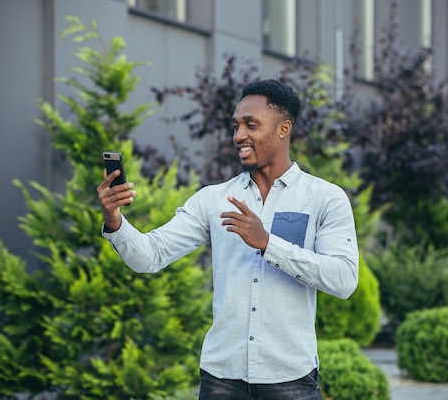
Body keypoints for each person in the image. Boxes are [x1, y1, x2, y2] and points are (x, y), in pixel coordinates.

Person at [97, 79, 359, 400]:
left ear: (283, 128)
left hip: (290, 380)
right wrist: (114, 220)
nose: (239, 136)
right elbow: (150, 256)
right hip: (221, 380)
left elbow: (344, 280)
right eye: (235, 126)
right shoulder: (213, 199)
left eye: (251, 125)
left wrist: (267, 243)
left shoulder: (324, 198)